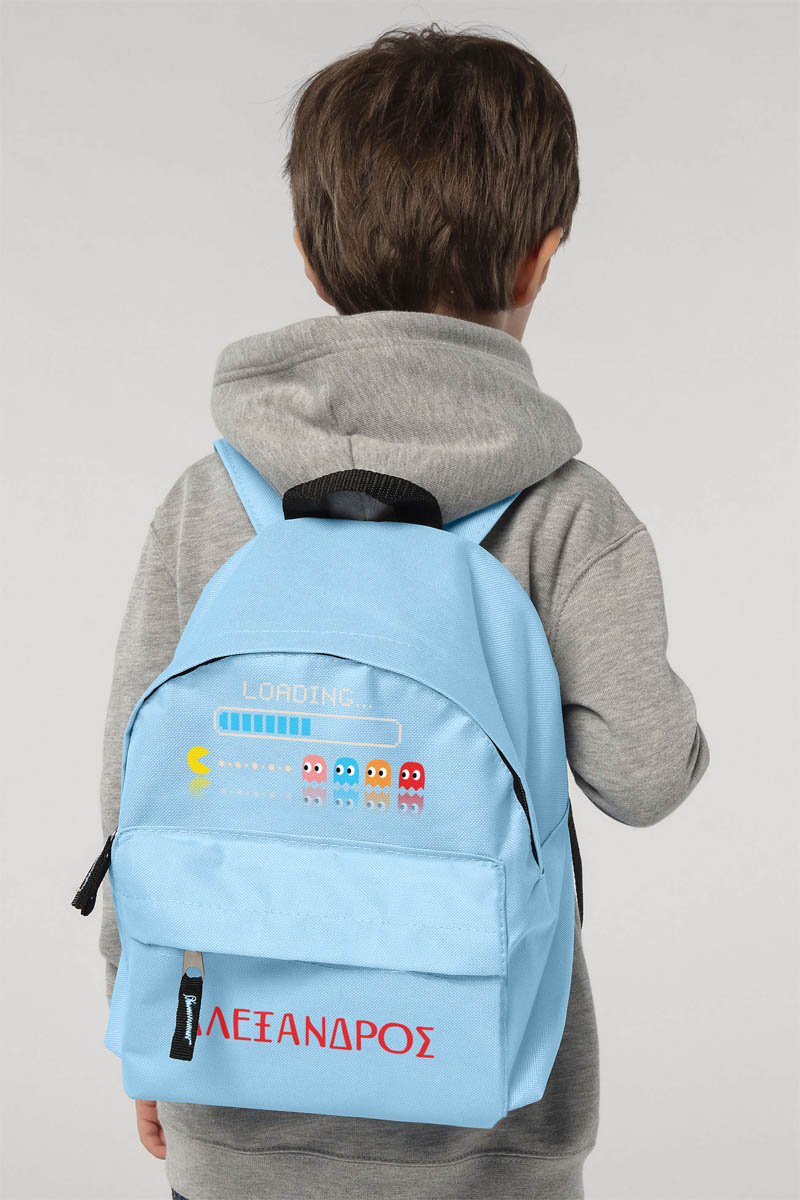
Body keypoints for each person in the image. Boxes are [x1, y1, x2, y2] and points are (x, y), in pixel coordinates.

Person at [99, 24, 709, 1200]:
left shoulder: (209, 498)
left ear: (307, 253)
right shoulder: (565, 511)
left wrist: (141, 1011)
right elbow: (643, 776)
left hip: (225, 1074)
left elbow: (134, 792)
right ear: (538, 260)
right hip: (490, 1108)